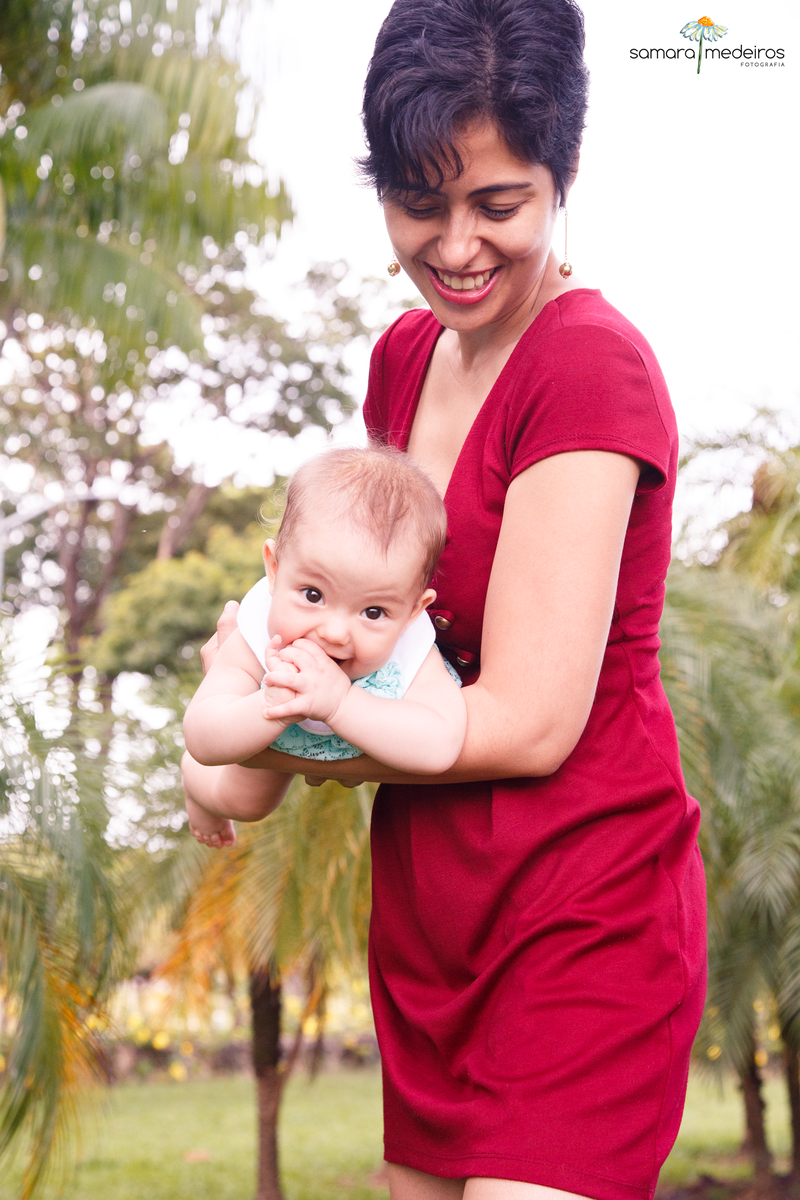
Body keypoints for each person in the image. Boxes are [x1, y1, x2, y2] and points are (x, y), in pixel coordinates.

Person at [194, 1, 707, 1197]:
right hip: (434, 917)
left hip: (581, 909)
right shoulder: (402, 358)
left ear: (562, 173)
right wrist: (245, 700)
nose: (457, 246)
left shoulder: (587, 366)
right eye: (421, 204)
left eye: (497, 204)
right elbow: (362, 617)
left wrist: (271, 737)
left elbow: (526, 723)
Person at [182, 446, 466, 848]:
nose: (334, 633)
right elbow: (202, 735)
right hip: (265, 733)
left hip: (373, 739)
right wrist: (272, 704)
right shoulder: (258, 635)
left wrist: (340, 705)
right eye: (313, 594)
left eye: (372, 611)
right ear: (275, 570)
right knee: (246, 802)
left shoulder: (412, 650)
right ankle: (194, 787)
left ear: (413, 612)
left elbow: (441, 745)